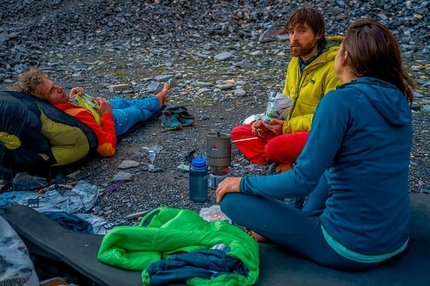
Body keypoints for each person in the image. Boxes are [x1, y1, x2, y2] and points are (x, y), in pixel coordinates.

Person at [216, 19, 414, 270]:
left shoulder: (339, 100)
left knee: (231, 200)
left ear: (346, 57)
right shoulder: (398, 98)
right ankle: (299, 224)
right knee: (331, 167)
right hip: (396, 239)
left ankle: (294, 232)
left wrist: (243, 183)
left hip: (349, 248)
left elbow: (302, 180)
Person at [231, 6, 342, 171]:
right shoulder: (295, 63)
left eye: (302, 31)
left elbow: (330, 119)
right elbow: (286, 101)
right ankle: (284, 161)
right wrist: (268, 121)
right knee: (239, 133)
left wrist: (288, 126)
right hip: (290, 127)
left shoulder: (334, 68)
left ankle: (293, 161)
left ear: (318, 34)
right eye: (291, 32)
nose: (294, 38)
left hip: (318, 132)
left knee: (275, 148)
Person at [10, 67, 168, 157]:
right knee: (135, 111)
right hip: (110, 122)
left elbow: (64, 109)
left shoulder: (47, 110)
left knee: (120, 101)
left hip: (94, 111)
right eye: (52, 91)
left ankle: (156, 99)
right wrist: (106, 114)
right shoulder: (77, 118)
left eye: (54, 84)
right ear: (44, 101)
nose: (59, 88)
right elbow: (107, 149)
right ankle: (157, 104)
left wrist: (70, 99)